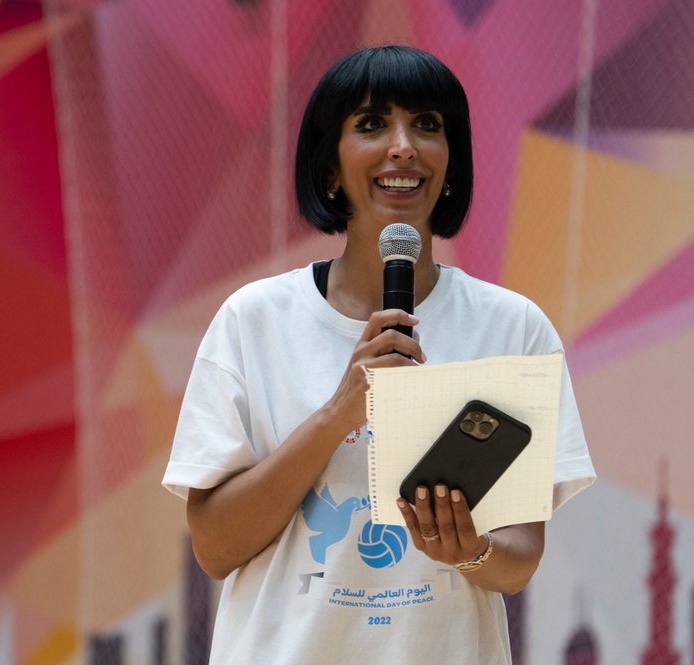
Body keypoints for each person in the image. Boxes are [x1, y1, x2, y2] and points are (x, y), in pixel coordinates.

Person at [162, 45, 595, 664]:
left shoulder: (513, 326)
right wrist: (338, 413)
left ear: (451, 163)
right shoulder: (251, 322)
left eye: (427, 125)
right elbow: (214, 548)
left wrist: (467, 550)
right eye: (371, 124)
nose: (403, 147)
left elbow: (520, 556)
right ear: (331, 168)